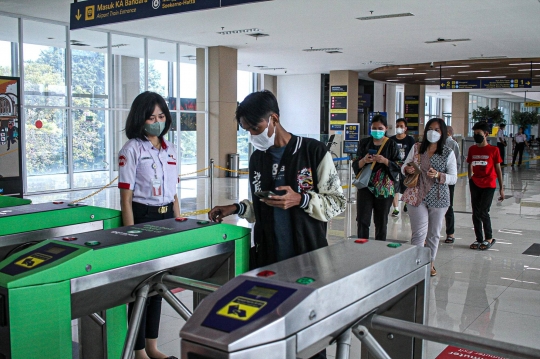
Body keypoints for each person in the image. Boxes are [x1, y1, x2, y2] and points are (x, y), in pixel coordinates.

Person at [208, 91, 345, 359]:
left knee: (309, 333)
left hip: (307, 256)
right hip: (268, 258)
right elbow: (263, 206)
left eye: (255, 128)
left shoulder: (312, 151)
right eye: (246, 130)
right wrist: (236, 208)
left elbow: (337, 203)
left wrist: (302, 199)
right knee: (270, 329)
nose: (252, 135)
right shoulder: (258, 158)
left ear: (274, 119)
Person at [118, 91, 180, 359]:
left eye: (161, 116)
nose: (157, 121)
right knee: (141, 287)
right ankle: (139, 349)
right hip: (143, 218)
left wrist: (179, 222)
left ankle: (153, 347)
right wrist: (132, 235)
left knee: (159, 283)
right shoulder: (131, 150)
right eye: (151, 117)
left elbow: (174, 192)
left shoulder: (171, 150)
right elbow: (126, 199)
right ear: (140, 120)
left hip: (167, 218)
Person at [402, 118, 457, 276]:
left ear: (443, 133)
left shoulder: (448, 152)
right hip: (417, 196)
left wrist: (439, 175)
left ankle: (430, 263)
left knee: (433, 234)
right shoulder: (417, 148)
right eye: (430, 129)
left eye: (437, 130)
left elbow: (454, 177)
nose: (433, 132)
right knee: (418, 233)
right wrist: (407, 169)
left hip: (438, 198)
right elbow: (403, 167)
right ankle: (417, 263)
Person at [352, 114, 401, 241]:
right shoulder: (364, 143)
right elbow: (356, 163)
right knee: (363, 219)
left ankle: (379, 248)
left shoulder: (391, 145)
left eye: (380, 128)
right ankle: (362, 245)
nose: (377, 131)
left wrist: (385, 161)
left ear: (385, 128)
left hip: (384, 188)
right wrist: (364, 160)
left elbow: (399, 165)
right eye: (374, 128)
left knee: (381, 221)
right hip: (365, 186)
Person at [468, 121, 504, 251]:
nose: (476, 136)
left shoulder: (494, 150)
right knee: (475, 212)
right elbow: (470, 163)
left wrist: (501, 188)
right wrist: (470, 178)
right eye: (475, 133)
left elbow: (498, 169)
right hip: (475, 183)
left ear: (486, 134)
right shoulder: (472, 149)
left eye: (479, 133)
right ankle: (479, 239)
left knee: (483, 211)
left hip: (489, 184)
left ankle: (488, 237)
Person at [389, 118, 416, 217]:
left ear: (405, 128)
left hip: (407, 168)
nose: (399, 128)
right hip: (394, 167)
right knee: (394, 188)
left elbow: (414, 153)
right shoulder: (391, 140)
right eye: (397, 126)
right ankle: (395, 208)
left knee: (406, 187)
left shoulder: (410, 140)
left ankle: (406, 203)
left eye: (401, 126)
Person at [444, 126, 461, 244]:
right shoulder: (432, 143)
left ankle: (450, 233)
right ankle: (449, 233)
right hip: (435, 179)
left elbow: (457, 162)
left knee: (448, 206)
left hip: (447, 179)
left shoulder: (453, 144)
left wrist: (453, 177)